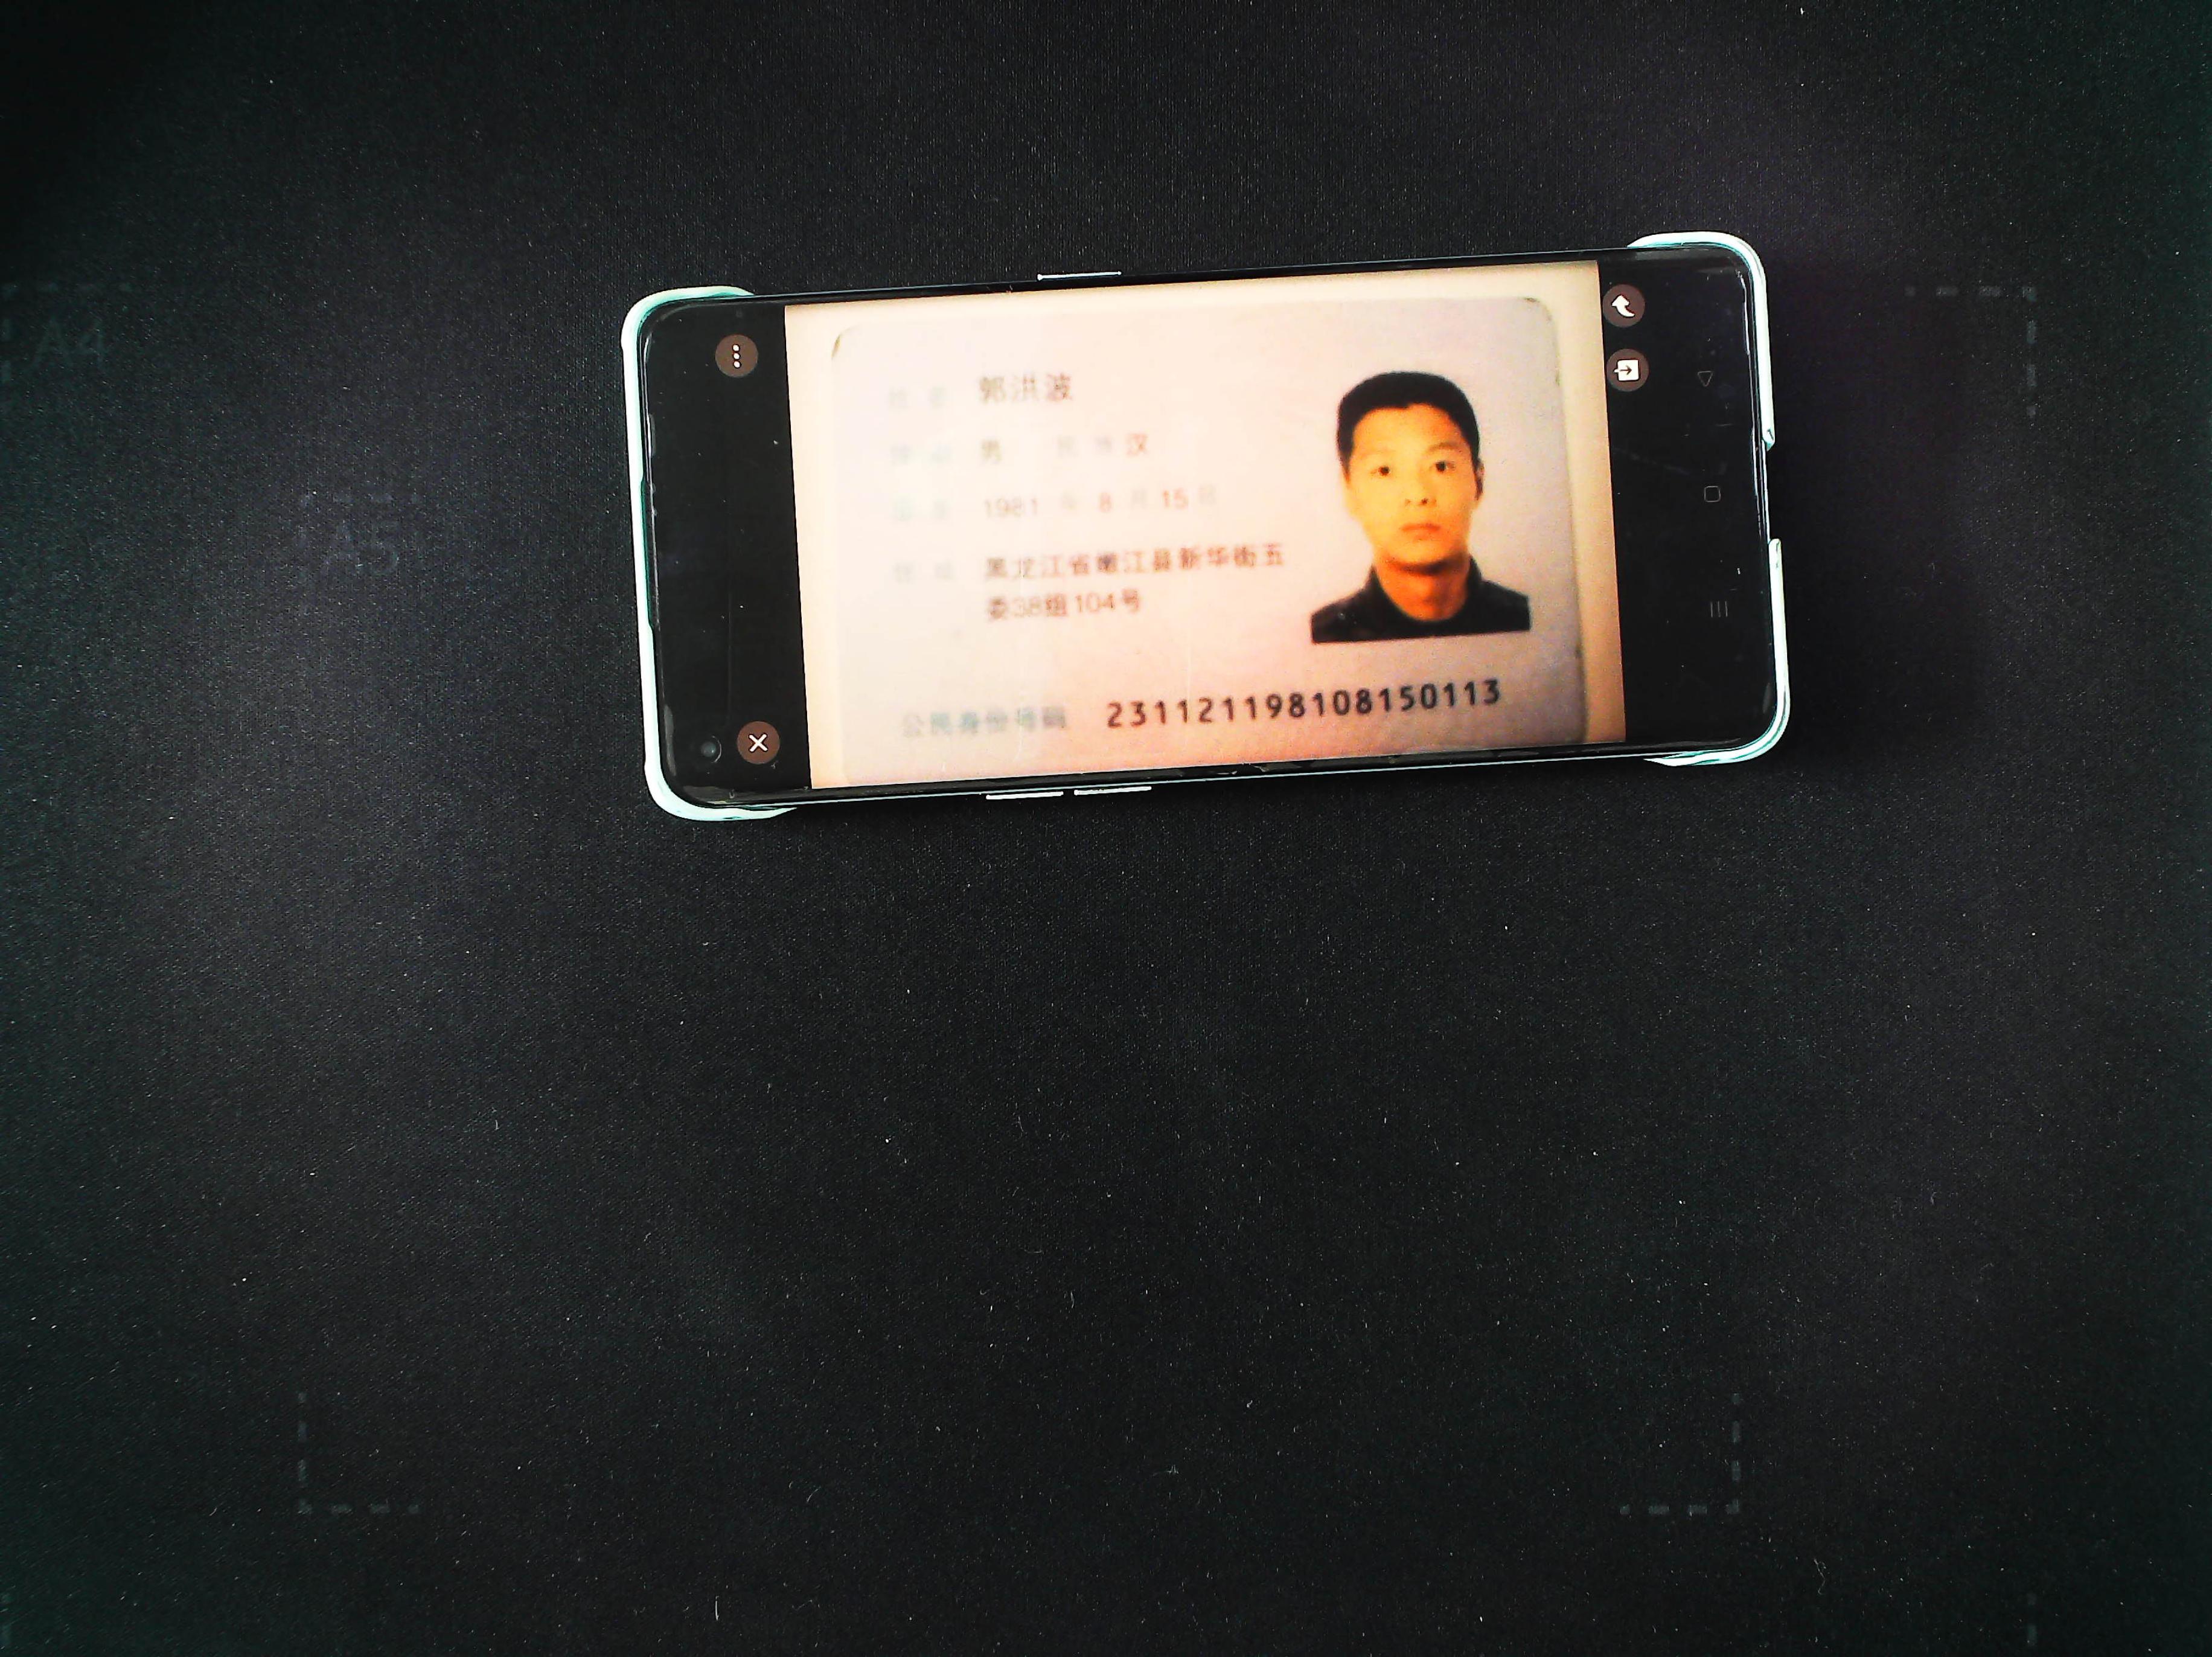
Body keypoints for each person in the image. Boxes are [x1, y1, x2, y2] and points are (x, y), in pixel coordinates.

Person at [1310, 371, 1531, 644]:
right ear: (1349, 491)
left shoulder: (1526, 620)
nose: (1418, 495)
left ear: (1478, 482)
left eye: (1441, 466)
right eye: (1384, 470)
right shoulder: (1324, 635)